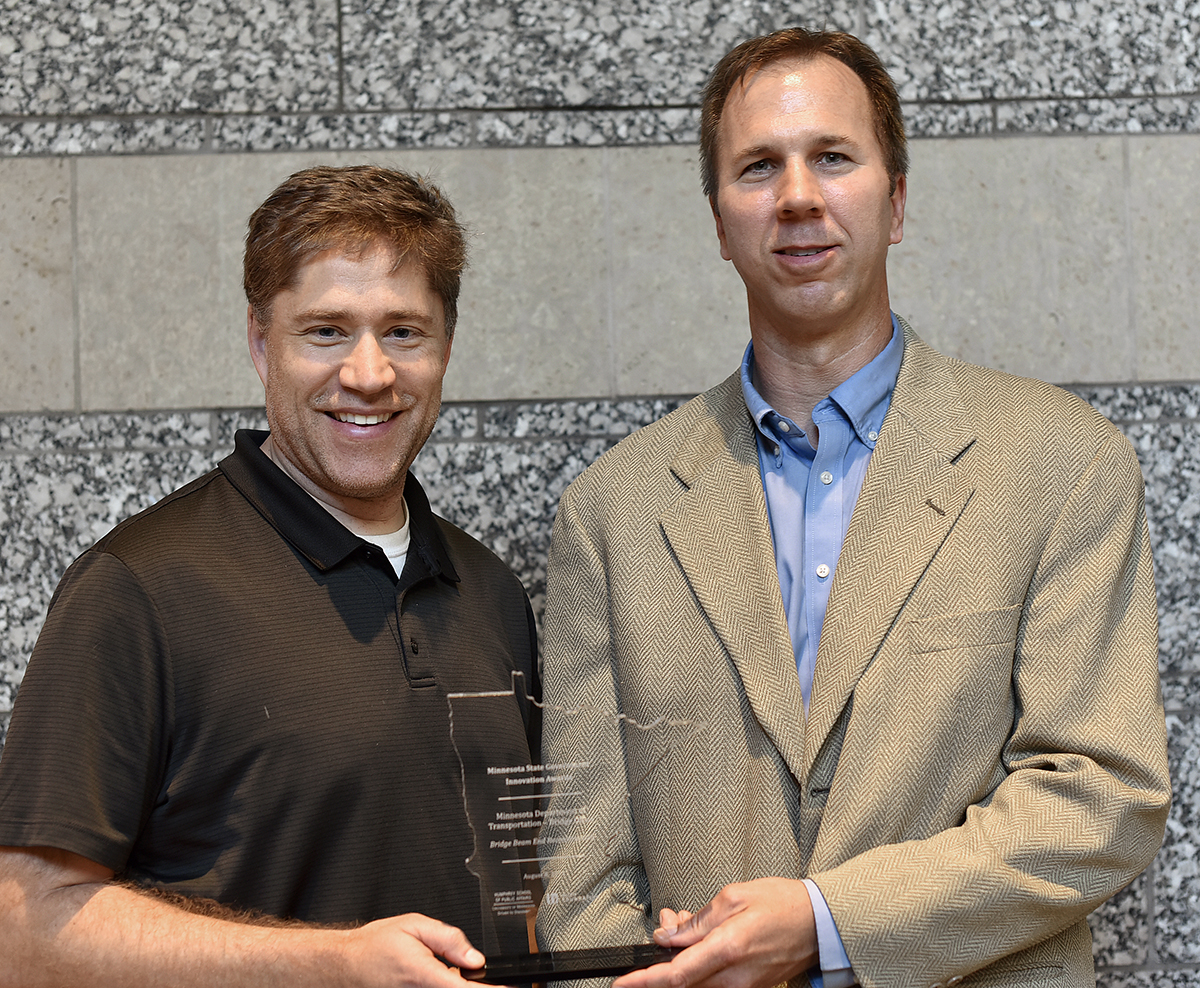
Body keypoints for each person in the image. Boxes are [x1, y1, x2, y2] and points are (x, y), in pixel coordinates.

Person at [536, 28, 1170, 988]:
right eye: (758, 167)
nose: (797, 196)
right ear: (718, 222)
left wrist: (830, 922)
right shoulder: (611, 516)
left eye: (832, 157)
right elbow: (579, 882)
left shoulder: (1063, 463)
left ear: (896, 200)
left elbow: (1100, 798)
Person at [0, 165, 539, 988]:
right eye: (325, 331)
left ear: (447, 345)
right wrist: (331, 964)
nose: (368, 374)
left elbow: (519, 892)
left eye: (403, 331)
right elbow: (24, 930)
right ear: (260, 343)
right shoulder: (138, 589)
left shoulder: (493, 593)